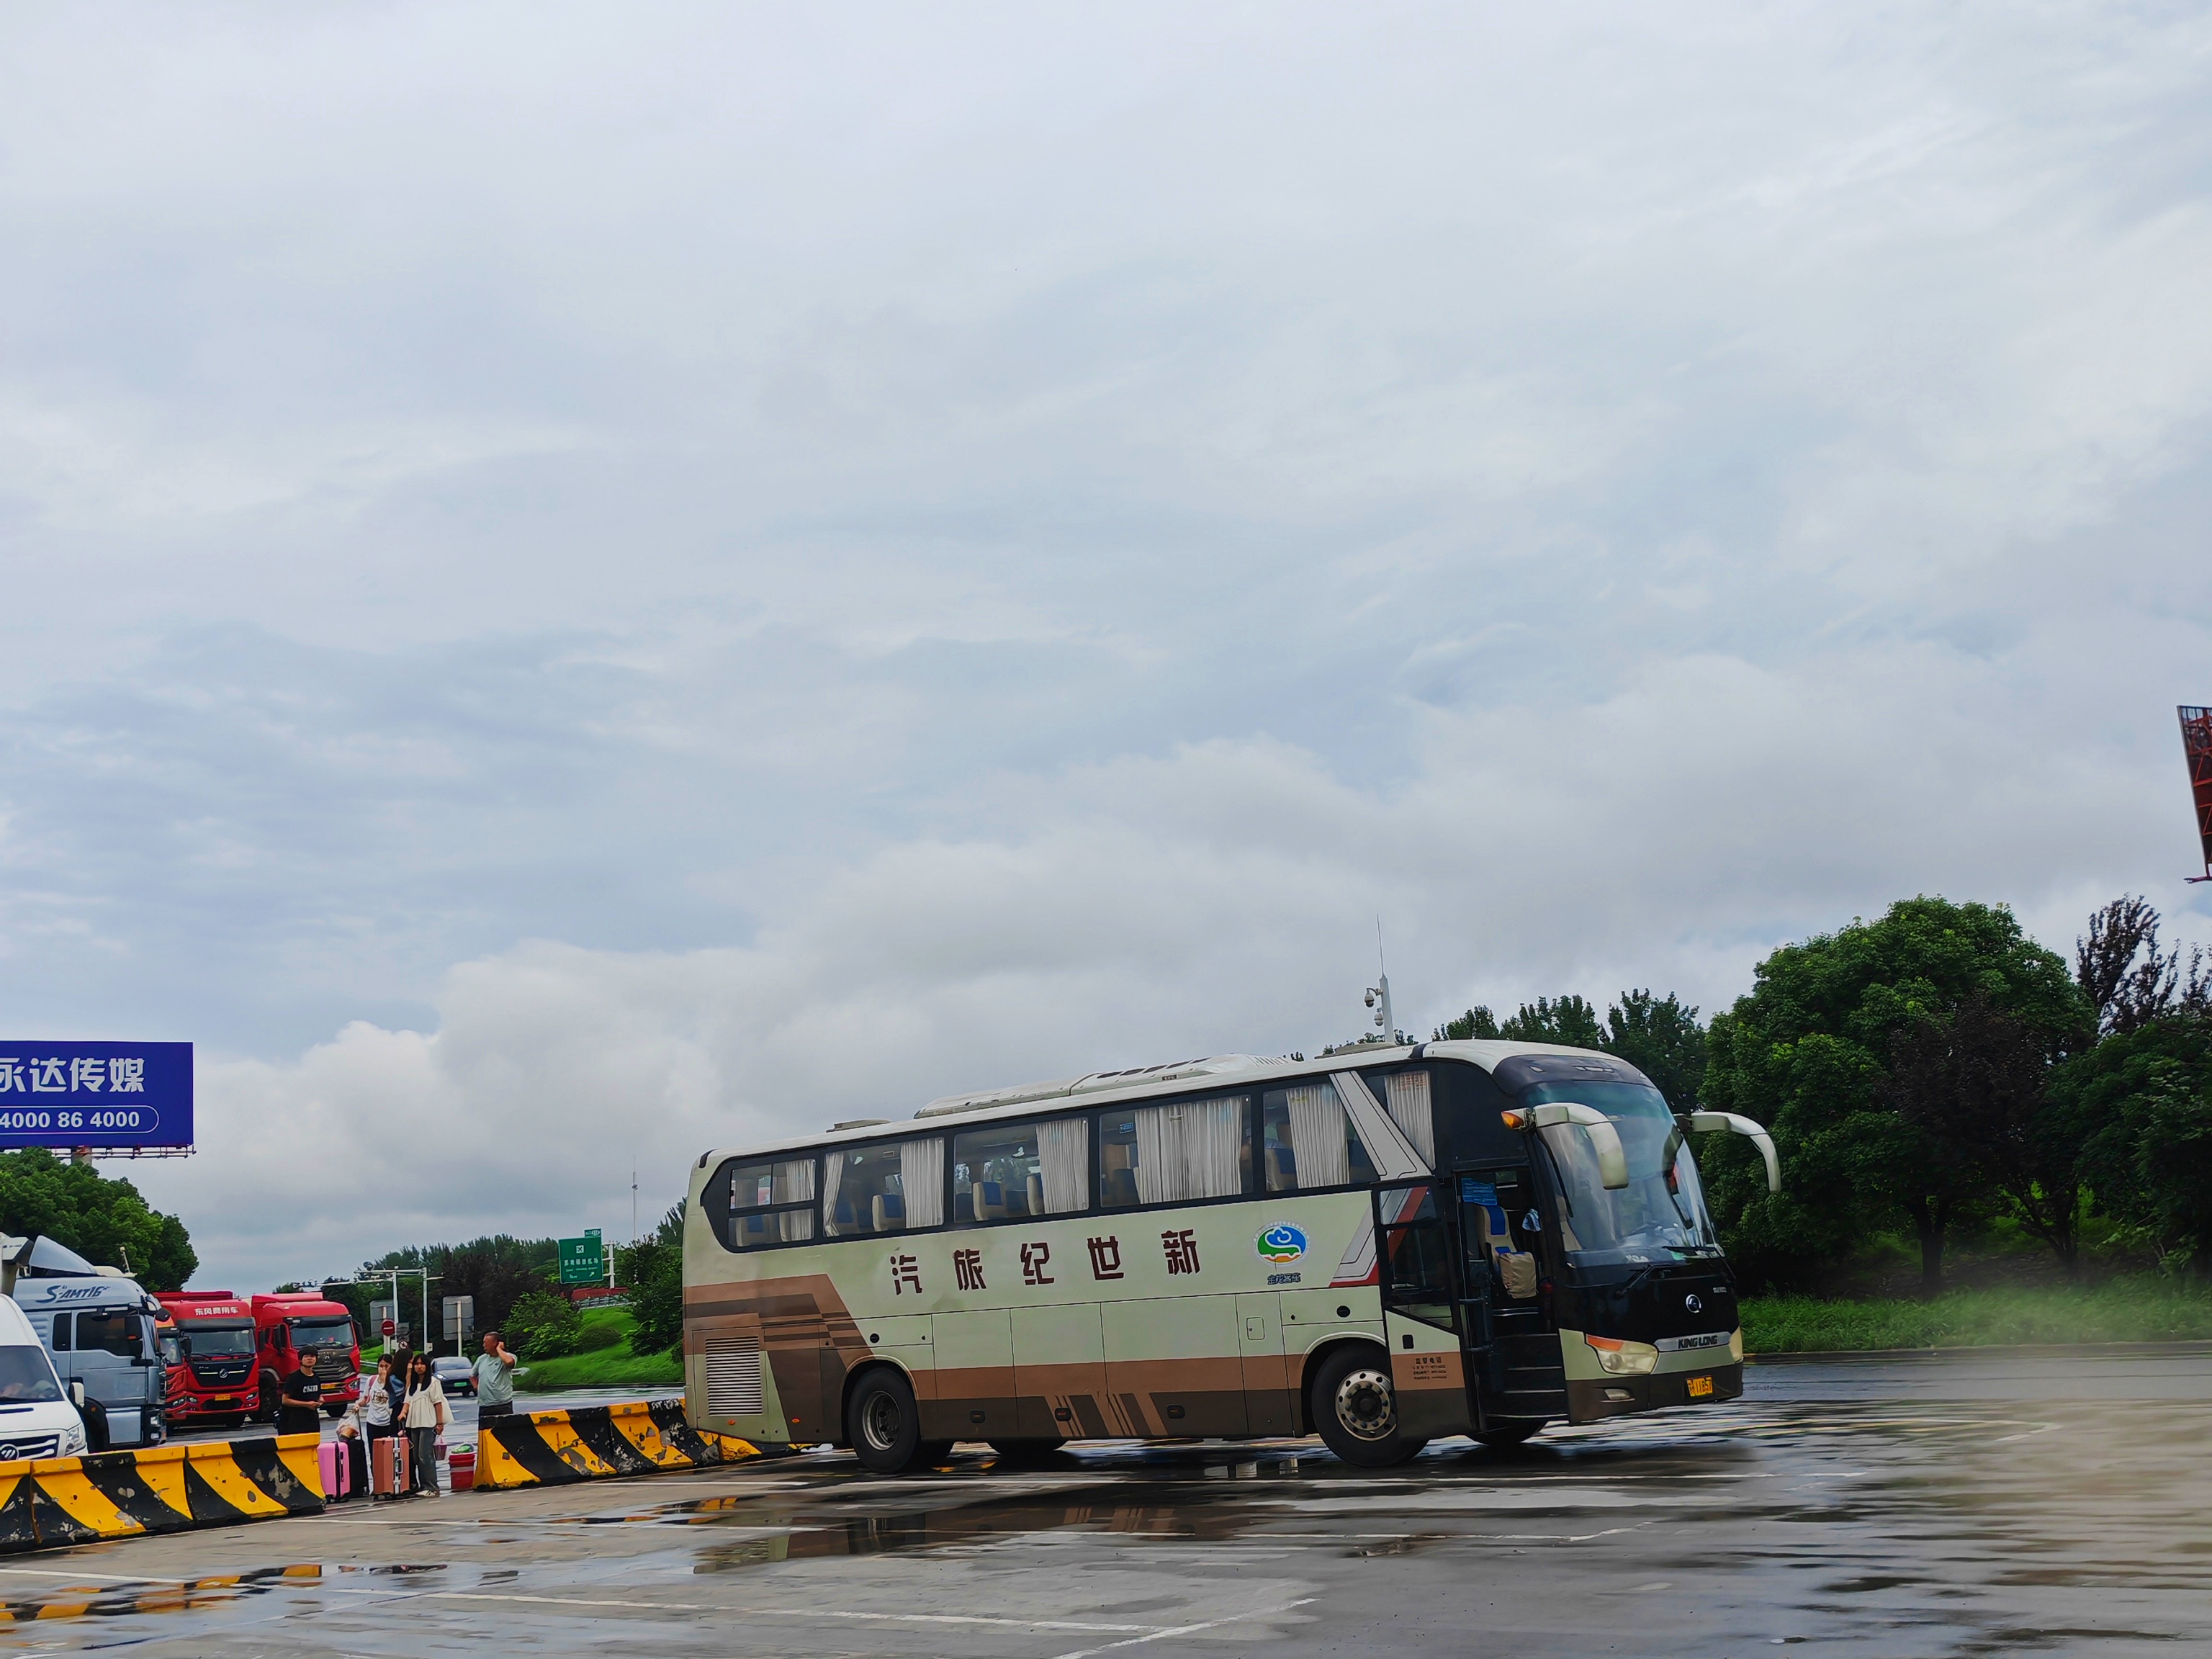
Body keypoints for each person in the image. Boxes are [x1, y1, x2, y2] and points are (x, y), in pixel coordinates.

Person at [341, 1353, 397, 1497]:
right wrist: (357, 1405)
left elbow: (396, 1399)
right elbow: (365, 1399)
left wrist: (386, 1380)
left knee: (389, 1455)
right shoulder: (371, 1381)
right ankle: (377, 1485)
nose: (383, 1369)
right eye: (381, 1366)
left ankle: (390, 1484)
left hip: (388, 1422)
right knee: (374, 1456)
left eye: (386, 1366)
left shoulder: (394, 1382)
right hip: (373, 1422)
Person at [400, 1352, 450, 1496]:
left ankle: (432, 1487)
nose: (419, 1367)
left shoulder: (434, 1383)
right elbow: (407, 1401)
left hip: (428, 1423)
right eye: (417, 1364)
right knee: (416, 1456)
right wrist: (403, 1412)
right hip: (414, 1423)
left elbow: (438, 1403)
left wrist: (439, 1423)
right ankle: (424, 1486)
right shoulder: (413, 1385)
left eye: (422, 1364)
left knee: (425, 1455)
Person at [473, 1330, 518, 1420]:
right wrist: (477, 1387)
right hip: (485, 1404)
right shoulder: (481, 1359)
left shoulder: (509, 1356)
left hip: (503, 1404)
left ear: (495, 1343)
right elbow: (472, 1375)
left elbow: (509, 1362)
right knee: (486, 1432)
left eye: (486, 1343)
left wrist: (499, 1349)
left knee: (505, 1431)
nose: (484, 1345)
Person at [277, 1348, 322, 1438]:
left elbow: (318, 1394)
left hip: (312, 1421)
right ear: (301, 1359)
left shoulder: (316, 1377)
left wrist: (320, 1400)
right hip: (294, 1421)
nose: (310, 1359)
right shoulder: (293, 1378)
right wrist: (307, 1404)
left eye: (312, 1356)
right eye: (306, 1357)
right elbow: (285, 1400)